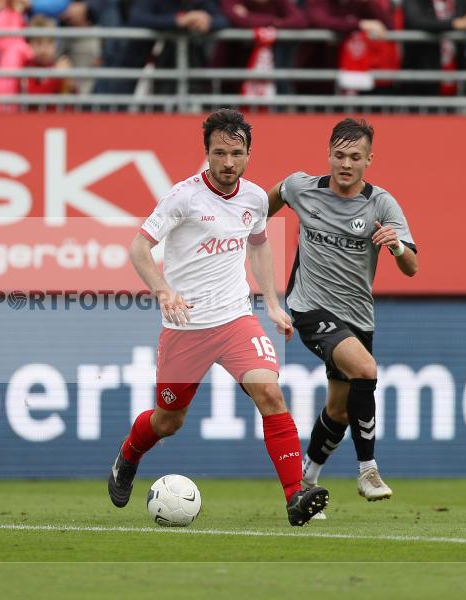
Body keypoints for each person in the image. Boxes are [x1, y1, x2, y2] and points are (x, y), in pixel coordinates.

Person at [108, 109, 329, 527]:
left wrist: (272, 303)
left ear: (249, 153)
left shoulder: (255, 198)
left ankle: (295, 496)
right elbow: (139, 248)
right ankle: (130, 453)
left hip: (234, 321)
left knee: (270, 395)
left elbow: (259, 246)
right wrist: (163, 290)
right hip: (185, 327)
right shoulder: (183, 197)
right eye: (220, 153)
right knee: (168, 420)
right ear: (206, 152)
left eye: (237, 153)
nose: (228, 162)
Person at [266, 118, 418, 517]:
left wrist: (398, 247)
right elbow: (269, 201)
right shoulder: (303, 188)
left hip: (358, 318)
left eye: (355, 156)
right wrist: (241, 228)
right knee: (366, 369)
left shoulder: (381, 204)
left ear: (369, 159)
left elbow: (412, 268)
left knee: (338, 409)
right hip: (309, 308)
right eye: (339, 155)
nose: (345, 163)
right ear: (328, 154)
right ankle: (367, 470)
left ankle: (307, 480)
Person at [401, 0, 466, 97]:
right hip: (422, 83)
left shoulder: (459, 3)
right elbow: (416, 21)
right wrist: (457, 24)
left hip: (454, 82)